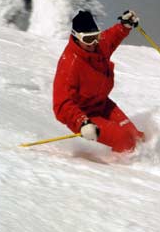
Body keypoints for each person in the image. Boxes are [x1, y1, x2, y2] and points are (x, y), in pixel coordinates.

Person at [53, 9, 145, 153]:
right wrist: (82, 122)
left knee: (137, 137)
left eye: (96, 36)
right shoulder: (70, 64)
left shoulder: (97, 46)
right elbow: (61, 105)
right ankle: (124, 171)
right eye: (88, 39)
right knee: (123, 139)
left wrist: (124, 26)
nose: (94, 43)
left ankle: (152, 164)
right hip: (85, 115)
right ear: (76, 37)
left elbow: (110, 37)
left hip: (102, 104)